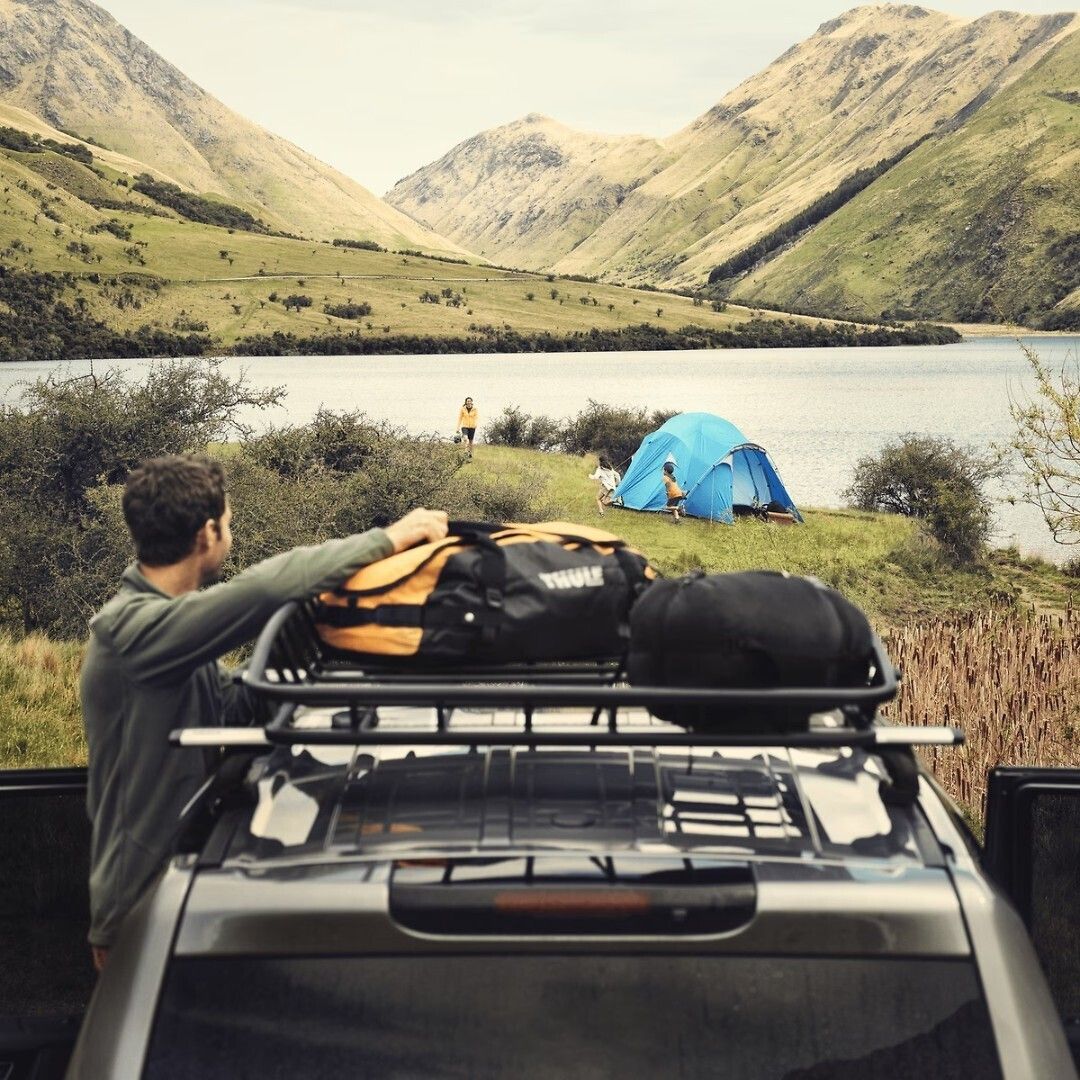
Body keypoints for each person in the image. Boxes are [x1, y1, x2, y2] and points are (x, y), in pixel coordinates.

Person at [80, 454, 448, 972]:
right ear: (208, 534)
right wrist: (389, 538)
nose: (229, 531)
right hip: (139, 901)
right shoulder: (131, 632)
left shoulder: (164, 633)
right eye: (228, 522)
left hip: (185, 877)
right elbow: (263, 589)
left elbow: (230, 710)